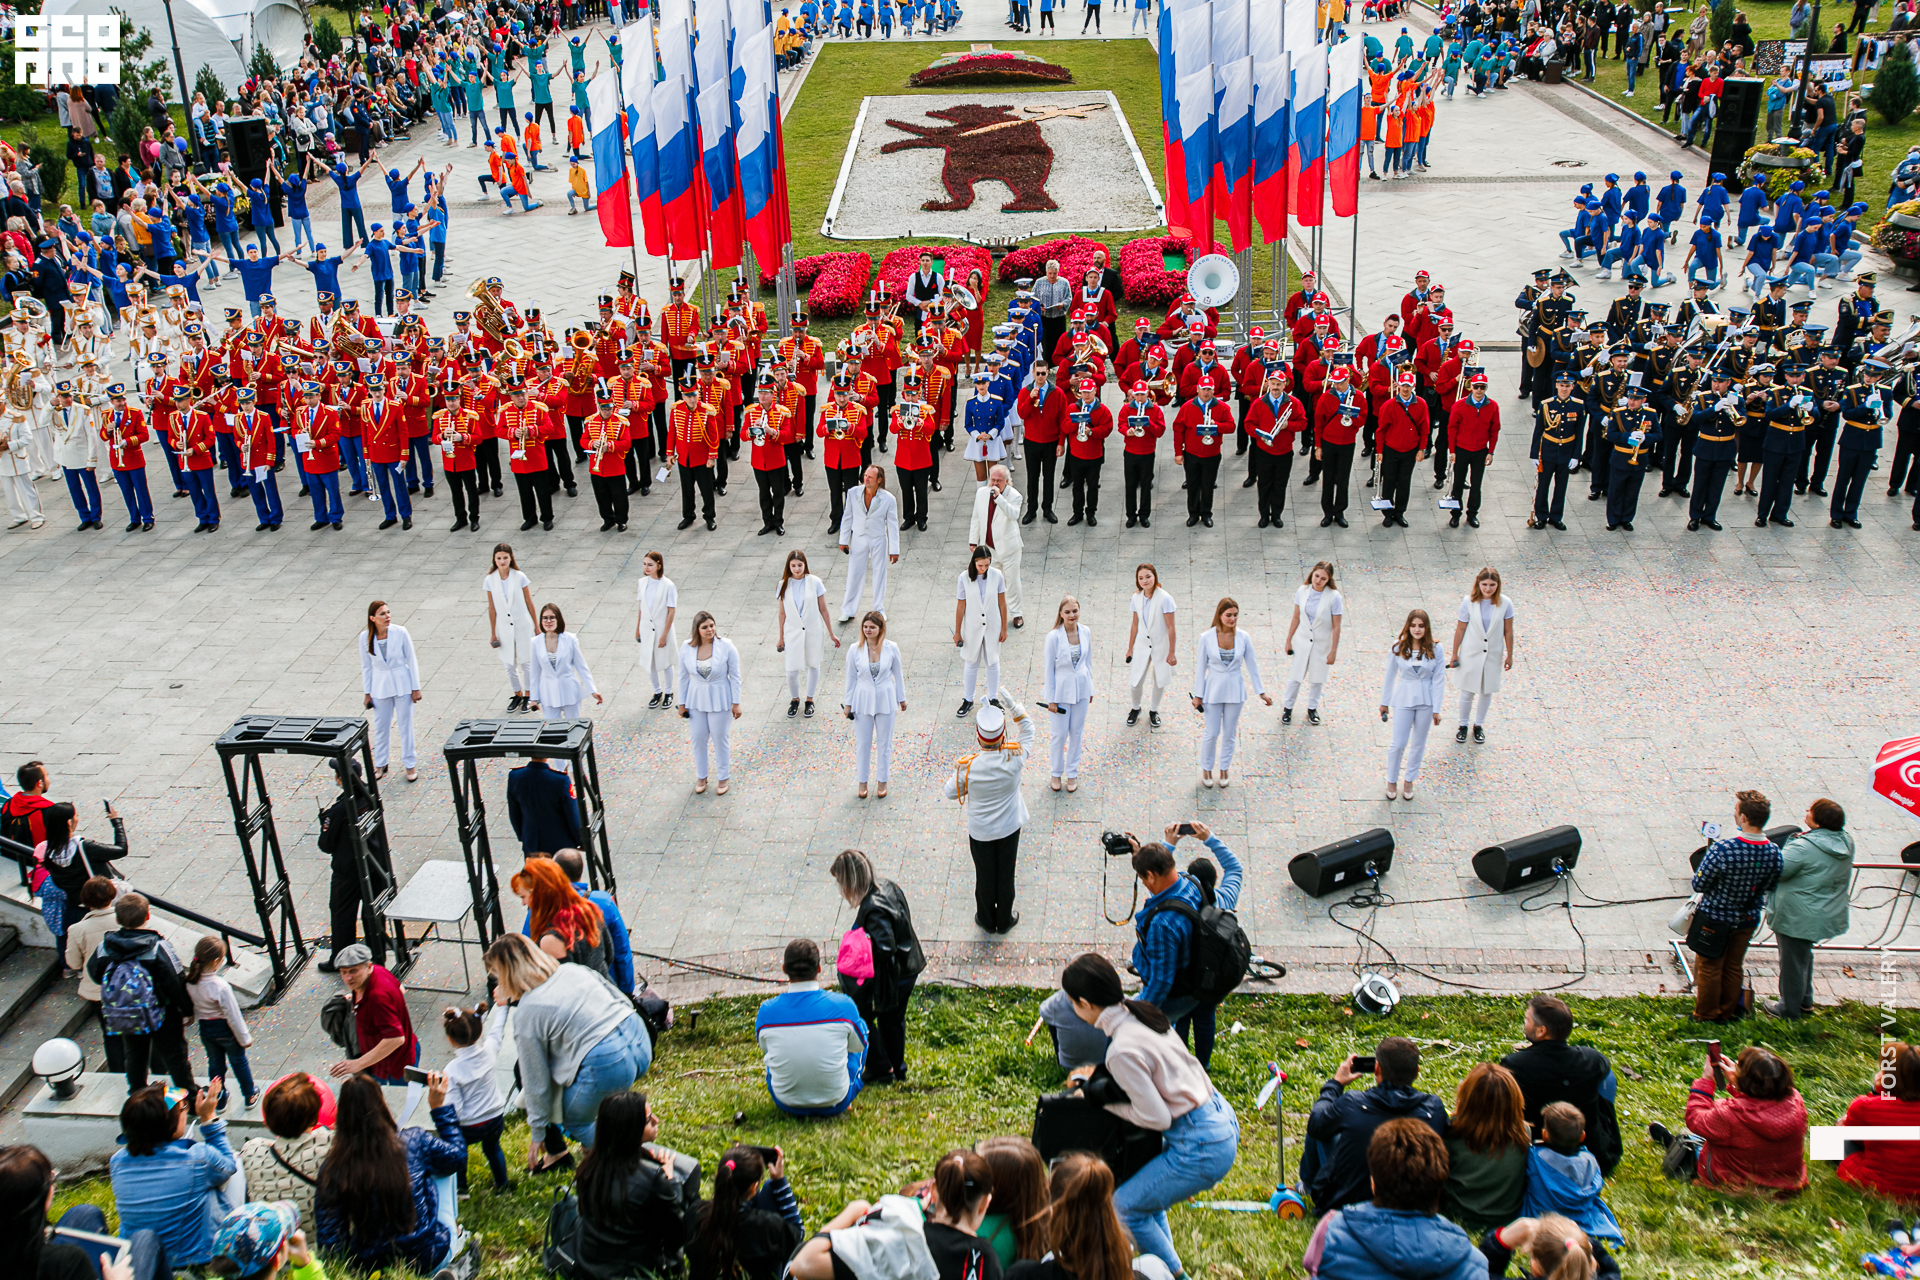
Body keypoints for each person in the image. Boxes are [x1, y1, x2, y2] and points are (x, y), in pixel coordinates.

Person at [1060, 953, 1237, 1278]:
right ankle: (1168, 1270)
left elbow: (1157, 1118)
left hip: (1200, 1143)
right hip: (1217, 1118)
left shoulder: (1121, 1048)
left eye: (1072, 1003)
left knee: (1124, 1208)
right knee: (1142, 1199)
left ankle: (1176, 1276)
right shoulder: (1142, 1012)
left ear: (1084, 1003)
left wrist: (1099, 1101)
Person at [485, 932, 649, 1164]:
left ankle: (632, 1161)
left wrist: (538, 1132)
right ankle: (628, 1141)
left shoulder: (527, 1012)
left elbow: (534, 1079)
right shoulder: (572, 970)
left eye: (498, 978)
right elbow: (619, 998)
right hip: (638, 1037)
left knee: (575, 1119)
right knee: (598, 1100)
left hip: (610, 1061)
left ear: (508, 976)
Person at [313, 1074, 470, 1275]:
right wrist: (439, 1108)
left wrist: (351, 1269)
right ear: (382, 1105)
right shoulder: (413, 1140)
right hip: (430, 1257)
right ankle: (456, 1235)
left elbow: (330, 1239)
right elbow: (458, 1157)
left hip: (375, 1268)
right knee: (444, 1164)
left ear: (341, 1116)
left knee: (440, 1160)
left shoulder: (332, 1168)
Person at [1301, 1119, 1486, 1280]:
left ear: (1373, 1184)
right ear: (1439, 1187)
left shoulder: (1331, 1232)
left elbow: (1313, 1270)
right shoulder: (1471, 1262)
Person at [1301, 1036, 1449, 1214]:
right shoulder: (1434, 1108)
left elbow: (1315, 1125)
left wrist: (1335, 1084)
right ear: (1417, 1072)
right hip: (1414, 1204)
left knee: (1321, 1120)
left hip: (1346, 1203)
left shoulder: (1352, 1103)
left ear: (1376, 1068)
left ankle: (1308, 1185)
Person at [110, 1082, 240, 1269]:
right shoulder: (198, 1157)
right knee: (234, 1162)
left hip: (138, 1255)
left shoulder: (117, 1161)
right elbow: (228, 1165)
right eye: (183, 1108)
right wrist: (208, 1118)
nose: (186, 1112)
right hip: (192, 1256)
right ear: (168, 1124)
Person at [572, 1092, 698, 1278]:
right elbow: (677, 1232)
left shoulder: (588, 1168)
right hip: (632, 1272)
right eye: (648, 1119)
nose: (656, 1120)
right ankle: (677, 1268)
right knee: (691, 1204)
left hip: (588, 1266)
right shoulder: (653, 1178)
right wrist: (671, 1181)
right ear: (631, 1130)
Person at [1651, 1045, 1808, 1193]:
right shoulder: (1796, 1101)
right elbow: (1761, 1104)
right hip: (1789, 1184)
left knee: (1694, 1144)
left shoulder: (1729, 1115)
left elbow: (1695, 1118)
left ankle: (1672, 1143)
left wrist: (1706, 1080)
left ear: (1746, 1080)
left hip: (1738, 1185)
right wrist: (1739, 1083)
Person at [830, 849, 925, 1084]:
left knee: (865, 1016)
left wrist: (861, 950)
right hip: (908, 964)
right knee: (892, 1020)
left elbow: (885, 947)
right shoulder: (887, 886)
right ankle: (895, 1068)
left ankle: (883, 1068)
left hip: (894, 974)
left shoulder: (873, 909)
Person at [1499, 996, 1622, 1176]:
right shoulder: (1591, 1059)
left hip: (1535, 1155)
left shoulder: (1515, 1064)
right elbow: (1604, 1069)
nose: (1524, 1023)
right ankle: (1600, 1129)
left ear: (1541, 1031)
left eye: (1527, 1019)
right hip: (1595, 1156)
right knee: (1606, 1076)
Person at [1689, 790, 1783, 1023]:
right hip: (1747, 918)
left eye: (1736, 810)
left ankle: (1705, 1014)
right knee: (1733, 965)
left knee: (1709, 966)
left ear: (1743, 818)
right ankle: (1727, 1011)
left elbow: (1700, 883)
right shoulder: (1774, 852)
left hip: (1715, 919)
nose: (1734, 814)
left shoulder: (1723, 849)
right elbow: (1772, 884)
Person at [88, 892, 195, 1093]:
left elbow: (95, 973)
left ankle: (137, 1093)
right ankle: (188, 1095)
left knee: (135, 1054)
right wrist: (187, 1008)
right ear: (147, 916)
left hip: (125, 1011)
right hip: (163, 1012)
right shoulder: (159, 947)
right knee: (175, 1056)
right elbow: (175, 981)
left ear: (117, 919)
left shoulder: (104, 947)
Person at [1, 1142, 156, 1280]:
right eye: (51, 1179)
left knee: (83, 1214)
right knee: (145, 1239)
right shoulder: (67, 1261)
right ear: (40, 1199)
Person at [945, 693, 1032, 933]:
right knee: (1006, 874)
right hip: (1009, 828)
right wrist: (1012, 705)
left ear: (978, 736)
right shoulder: (1015, 758)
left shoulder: (969, 767)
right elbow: (1028, 729)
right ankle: (1004, 920)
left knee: (984, 876)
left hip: (981, 832)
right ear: (1003, 735)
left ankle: (985, 918)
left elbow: (949, 792)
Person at [756, 938, 867, 1117]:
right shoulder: (844, 1006)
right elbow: (858, 1047)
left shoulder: (766, 1011)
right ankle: (844, 1088)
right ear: (819, 968)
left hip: (786, 1102)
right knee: (862, 1030)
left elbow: (764, 1047)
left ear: (784, 969)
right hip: (837, 1101)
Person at [1764, 798, 1853, 1019]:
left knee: (1792, 962)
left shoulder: (1803, 847)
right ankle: (1804, 1001)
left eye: (1811, 811)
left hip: (1797, 914)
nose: (1807, 811)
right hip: (1822, 910)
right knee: (1803, 956)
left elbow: (1778, 871)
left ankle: (1788, 1009)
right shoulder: (1846, 841)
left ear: (1818, 821)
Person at [325, 941, 421, 1125]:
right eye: (343, 972)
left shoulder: (378, 997)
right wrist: (358, 1001)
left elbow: (396, 1038)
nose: (348, 978)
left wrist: (357, 1064)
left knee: (400, 1111)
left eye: (353, 971)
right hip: (384, 1059)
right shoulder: (378, 971)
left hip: (395, 1065)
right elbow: (400, 989)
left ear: (368, 967)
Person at [688, 1144, 805, 1280]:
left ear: (718, 1175)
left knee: (767, 1189)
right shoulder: (766, 1227)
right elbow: (798, 1235)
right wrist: (780, 1183)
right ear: (754, 1188)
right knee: (770, 1188)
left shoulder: (696, 1213)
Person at [1443, 1063, 1530, 1240]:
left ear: (1467, 1098)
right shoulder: (1523, 1133)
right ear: (1514, 1100)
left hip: (1457, 1220)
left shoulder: (1451, 1132)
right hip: (1505, 1222)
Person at [1192, 596, 1271, 788]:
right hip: (1213, 691)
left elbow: (1252, 665)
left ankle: (1224, 768)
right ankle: (1207, 768)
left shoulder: (1244, 637)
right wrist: (1198, 695)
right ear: (1220, 615)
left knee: (1229, 733)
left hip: (1235, 691)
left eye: (1235, 615)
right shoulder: (1206, 637)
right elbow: (1200, 668)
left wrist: (1261, 692)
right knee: (1211, 733)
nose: (1232, 619)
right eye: (1228, 615)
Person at [317, 759, 386, 971]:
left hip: (347, 871)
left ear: (340, 779)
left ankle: (340, 959)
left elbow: (326, 845)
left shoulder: (339, 810)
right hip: (375, 864)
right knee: (374, 913)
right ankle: (378, 957)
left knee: (342, 914)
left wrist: (324, 823)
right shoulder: (369, 794)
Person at [239, 1074, 334, 1227]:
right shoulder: (331, 1145)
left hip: (276, 1240)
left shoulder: (251, 1151)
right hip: (322, 1239)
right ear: (315, 1119)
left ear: (266, 1123)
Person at [1377, 608, 1447, 799]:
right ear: (1408, 626)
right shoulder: (1398, 647)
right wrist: (1384, 702)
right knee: (1398, 743)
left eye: (1421, 626)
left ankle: (1409, 780)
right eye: (1414, 625)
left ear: (1427, 628)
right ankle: (1392, 780)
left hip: (1426, 701)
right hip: (1403, 698)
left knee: (1418, 744)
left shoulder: (1436, 648)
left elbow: (1439, 679)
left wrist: (1437, 709)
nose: (1417, 629)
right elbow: (1390, 676)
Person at [1837, 1042, 1920, 1201]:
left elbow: (1856, 1139)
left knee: (1834, 1133)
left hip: (1882, 1187)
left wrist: (1877, 1091)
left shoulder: (1865, 1106)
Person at [185, 936, 255, 1112]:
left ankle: (219, 1098)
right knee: (239, 1062)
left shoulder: (191, 981)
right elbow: (233, 1015)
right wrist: (244, 1038)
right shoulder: (220, 986)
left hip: (206, 1029)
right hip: (225, 1029)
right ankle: (249, 1094)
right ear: (217, 961)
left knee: (215, 1064)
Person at [678, 610, 744, 796]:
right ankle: (702, 776)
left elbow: (736, 676)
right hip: (695, 700)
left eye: (712, 625)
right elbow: (682, 677)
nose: (710, 630)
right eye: (705, 627)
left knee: (720, 738)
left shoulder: (727, 646)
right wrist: (682, 704)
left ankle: (723, 777)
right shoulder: (686, 647)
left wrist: (736, 703)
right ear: (697, 630)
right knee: (698, 738)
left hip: (720, 698)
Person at [843, 611, 907, 799]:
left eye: (872, 627)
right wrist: (848, 704)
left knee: (884, 743)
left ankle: (882, 781)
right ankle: (862, 781)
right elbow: (850, 678)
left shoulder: (891, 648)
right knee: (863, 744)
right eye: (865, 627)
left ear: (880, 629)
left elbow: (898, 674)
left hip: (886, 699)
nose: (868, 630)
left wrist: (902, 698)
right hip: (862, 700)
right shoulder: (854, 649)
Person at [358, 601, 421, 783]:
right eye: (382, 614)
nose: (387, 616)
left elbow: (411, 659)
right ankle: (380, 763)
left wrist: (415, 688)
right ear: (372, 618)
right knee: (381, 726)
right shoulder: (365, 637)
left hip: (403, 684)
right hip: (380, 686)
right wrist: (367, 693)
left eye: (388, 612)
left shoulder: (400, 632)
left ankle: (410, 764)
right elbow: (366, 666)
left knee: (405, 726)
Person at [1450, 567, 1514, 744]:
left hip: (1493, 653)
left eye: (1492, 585)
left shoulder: (1505, 603)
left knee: (1487, 691)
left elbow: (1508, 631)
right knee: (1467, 691)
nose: (1488, 588)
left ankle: (1478, 725)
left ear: (1498, 585)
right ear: (1478, 583)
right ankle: (1463, 725)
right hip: (1471, 652)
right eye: (1484, 584)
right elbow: (1461, 628)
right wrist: (1454, 653)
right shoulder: (1468, 602)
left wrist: (1510, 655)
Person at [513, 858, 608, 975]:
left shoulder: (550, 940)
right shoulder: (589, 909)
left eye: (523, 896)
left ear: (538, 894)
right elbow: (609, 953)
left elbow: (559, 981)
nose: (523, 903)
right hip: (602, 982)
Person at [777, 550, 838, 718]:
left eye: (800, 565)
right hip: (792, 631)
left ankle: (810, 700)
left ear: (805, 565)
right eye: (793, 565)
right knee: (791, 670)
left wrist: (831, 633)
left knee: (813, 664)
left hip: (813, 629)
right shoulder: (783, 585)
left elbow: (823, 609)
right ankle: (794, 699)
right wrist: (781, 637)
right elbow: (782, 613)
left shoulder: (815, 582)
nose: (797, 569)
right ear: (789, 567)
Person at [1042, 597, 1094, 792]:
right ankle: (1056, 773)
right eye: (1068, 612)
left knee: (1076, 733)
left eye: (1075, 611)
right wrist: (1051, 699)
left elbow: (1088, 662)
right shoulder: (1053, 637)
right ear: (1061, 614)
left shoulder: (1086, 631)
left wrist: (1091, 688)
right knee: (1059, 734)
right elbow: (1049, 669)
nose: (1072, 615)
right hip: (1061, 691)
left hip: (1081, 689)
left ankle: (1072, 773)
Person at [1282, 562, 1342, 726]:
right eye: (1316, 576)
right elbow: (1296, 617)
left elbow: (1336, 626)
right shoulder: (1302, 591)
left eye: (1323, 578)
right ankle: (1288, 708)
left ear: (1328, 580)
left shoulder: (1334, 597)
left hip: (1322, 642)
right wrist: (1288, 640)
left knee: (1317, 678)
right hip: (1302, 640)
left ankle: (1312, 708)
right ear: (1312, 574)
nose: (1318, 581)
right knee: (1295, 676)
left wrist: (1333, 651)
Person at [838, 465, 900, 622]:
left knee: (879, 574)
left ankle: (879, 609)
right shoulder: (853, 493)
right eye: (865, 476)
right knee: (854, 573)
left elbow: (892, 525)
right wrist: (843, 540)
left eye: (870, 477)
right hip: (858, 538)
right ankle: (848, 609)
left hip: (878, 538)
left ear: (879, 480)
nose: (866, 479)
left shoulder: (889, 499)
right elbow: (847, 516)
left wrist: (894, 549)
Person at [953, 545, 1009, 717]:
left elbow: (1002, 603)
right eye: (980, 565)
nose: (984, 568)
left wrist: (1004, 628)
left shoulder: (997, 575)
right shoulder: (964, 578)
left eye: (987, 565)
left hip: (992, 625)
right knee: (971, 663)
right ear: (974, 562)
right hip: (972, 626)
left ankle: (993, 698)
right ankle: (968, 699)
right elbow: (960, 606)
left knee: (993, 662)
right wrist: (957, 632)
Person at [483, 544, 537, 713]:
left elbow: (528, 602)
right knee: (509, 663)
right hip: (504, 627)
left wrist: (536, 626)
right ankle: (517, 693)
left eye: (505, 558)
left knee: (526, 662)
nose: (502, 561)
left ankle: (529, 694)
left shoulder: (519, 576)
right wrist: (493, 633)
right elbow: (492, 608)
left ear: (511, 558)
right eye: (499, 558)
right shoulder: (490, 580)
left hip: (523, 624)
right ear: (494, 559)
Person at [969, 464, 1024, 627]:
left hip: (1009, 548)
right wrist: (973, 541)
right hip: (989, 548)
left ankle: (1016, 613)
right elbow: (976, 517)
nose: (994, 483)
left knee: (1012, 581)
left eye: (999, 480)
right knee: (990, 581)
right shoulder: (981, 493)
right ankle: (992, 611)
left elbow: (1013, 514)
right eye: (992, 479)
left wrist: (999, 498)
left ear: (1006, 481)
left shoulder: (1015, 496)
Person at [1124, 564, 1178, 728]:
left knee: (1159, 680)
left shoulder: (1165, 598)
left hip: (1161, 644)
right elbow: (1135, 624)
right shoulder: (1136, 597)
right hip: (1142, 644)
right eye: (1141, 578)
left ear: (1154, 576)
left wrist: (1172, 652)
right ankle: (1135, 708)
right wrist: (1130, 648)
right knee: (1135, 681)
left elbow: (1171, 627)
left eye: (1148, 576)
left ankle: (1154, 710)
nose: (1145, 580)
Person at [530, 603, 602, 720]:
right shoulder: (535, 642)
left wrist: (592, 690)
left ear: (558, 619)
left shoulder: (570, 639)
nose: (548, 621)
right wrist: (534, 698)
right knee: (551, 728)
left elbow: (581, 666)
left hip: (569, 691)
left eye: (552, 617)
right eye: (545, 618)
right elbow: (534, 672)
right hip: (548, 693)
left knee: (573, 725)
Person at [507, 756, 582, 857]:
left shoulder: (515, 776)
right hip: (560, 845)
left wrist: (523, 837)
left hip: (532, 843)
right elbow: (573, 816)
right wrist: (581, 841)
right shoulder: (561, 780)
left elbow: (514, 813)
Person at [634, 551, 680, 709]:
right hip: (647, 628)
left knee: (666, 662)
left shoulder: (668, 585)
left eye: (650, 564)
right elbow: (641, 608)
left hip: (662, 628)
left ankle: (669, 692)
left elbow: (671, 611)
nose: (646, 567)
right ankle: (656, 691)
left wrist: (664, 635)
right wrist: (638, 628)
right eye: (644, 564)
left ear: (658, 565)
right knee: (650, 661)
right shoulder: (642, 583)